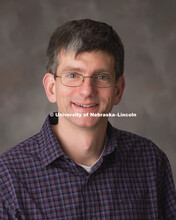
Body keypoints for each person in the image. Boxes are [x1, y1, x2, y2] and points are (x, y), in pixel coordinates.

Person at [0, 19, 175, 220]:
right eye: (73, 75)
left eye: (101, 77)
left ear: (118, 90)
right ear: (51, 88)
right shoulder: (8, 177)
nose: (86, 91)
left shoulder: (151, 162)